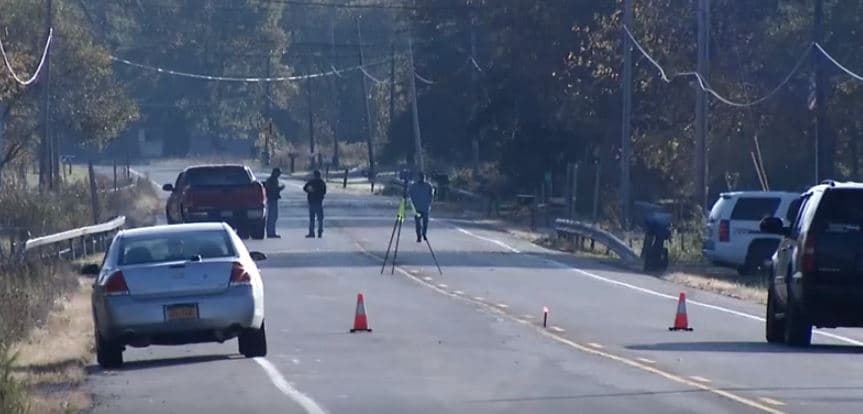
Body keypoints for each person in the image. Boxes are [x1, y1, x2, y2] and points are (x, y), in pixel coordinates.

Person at [409, 172, 435, 243]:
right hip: (417, 208)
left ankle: (424, 233)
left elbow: (432, 195)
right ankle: (419, 236)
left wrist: (429, 202)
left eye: (423, 177)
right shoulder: (414, 186)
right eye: (421, 177)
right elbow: (410, 195)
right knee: (418, 223)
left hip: (425, 208)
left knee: (425, 222)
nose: (422, 179)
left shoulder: (428, 186)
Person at [303, 170, 327, 238]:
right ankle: (320, 232)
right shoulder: (321, 182)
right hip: (318, 202)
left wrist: (310, 191)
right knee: (320, 218)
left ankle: (311, 232)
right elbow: (324, 191)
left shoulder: (311, 182)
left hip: (312, 201)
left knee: (312, 218)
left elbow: (305, 188)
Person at [264, 168, 285, 238]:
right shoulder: (271, 180)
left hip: (273, 199)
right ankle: (270, 232)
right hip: (271, 199)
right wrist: (280, 188)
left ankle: (272, 232)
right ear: (275, 173)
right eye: (278, 173)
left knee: (274, 216)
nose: (279, 174)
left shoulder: (273, 180)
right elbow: (272, 189)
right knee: (272, 216)